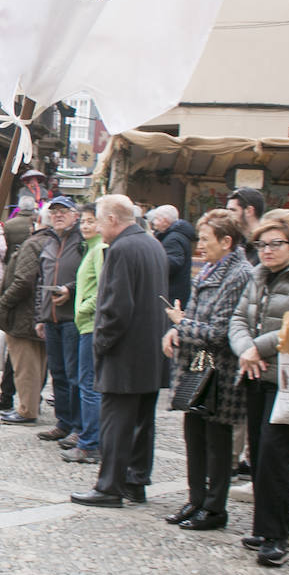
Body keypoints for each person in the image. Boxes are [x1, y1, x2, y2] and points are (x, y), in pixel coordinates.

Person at [228, 208, 289, 566]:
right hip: (256, 375)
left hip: (288, 380)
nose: (267, 250)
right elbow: (238, 318)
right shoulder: (257, 275)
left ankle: (277, 538)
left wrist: (262, 345)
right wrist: (245, 349)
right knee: (261, 456)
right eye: (262, 244)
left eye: (275, 244)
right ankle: (276, 526)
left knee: (273, 454)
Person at [71, 195, 170, 509]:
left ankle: (110, 486)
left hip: (124, 352)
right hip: (150, 351)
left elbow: (116, 306)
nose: (98, 228)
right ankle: (135, 481)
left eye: (99, 221)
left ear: (113, 219)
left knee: (115, 421)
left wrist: (101, 342)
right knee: (142, 421)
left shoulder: (122, 249)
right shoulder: (152, 244)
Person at [159, 209, 253, 530]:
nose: (199, 245)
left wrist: (181, 324)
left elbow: (219, 332)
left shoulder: (240, 274)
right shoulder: (209, 270)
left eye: (205, 238)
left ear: (227, 241)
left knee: (217, 443)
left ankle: (214, 508)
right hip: (197, 371)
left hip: (221, 375)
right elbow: (199, 321)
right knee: (194, 439)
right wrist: (176, 329)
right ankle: (195, 499)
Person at [0, 209, 50, 426]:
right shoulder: (53, 242)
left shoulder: (34, 244)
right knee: (37, 363)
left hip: (26, 312)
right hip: (40, 311)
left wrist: (4, 303)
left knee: (26, 365)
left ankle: (26, 409)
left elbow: (24, 280)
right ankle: (29, 405)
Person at [35, 196, 86, 445]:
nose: (58, 215)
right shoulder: (49, 241)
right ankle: (63, 423)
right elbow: (39, 281)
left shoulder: (82, 241)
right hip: (51, 318)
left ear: (75, 215)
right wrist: (40, 316)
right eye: (54, 211)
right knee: (58, 374)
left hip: (72, 318)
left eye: (63, 211)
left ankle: (78, 426)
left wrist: (70, 289)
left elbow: (92, 279)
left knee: (74, 375)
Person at [62, 204, 105, 464]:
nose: (86, 226)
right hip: (85, 324)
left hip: (89, 324)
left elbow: (102, 288)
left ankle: (90, 443)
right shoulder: (91, 249)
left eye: (92, 221)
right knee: (84, 382)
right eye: (84, 222)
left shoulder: (100, 250)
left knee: (88, 385)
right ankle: (86, 436)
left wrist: (84, 309)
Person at [149, 204, 197, 307]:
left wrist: (153, 259)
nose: (154, 223)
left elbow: (173, 263)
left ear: (165, 221)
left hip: (172, 294)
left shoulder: (173, 239)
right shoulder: (174, 236)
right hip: (176, 292)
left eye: (157, 219)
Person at [226, 187, 266, 265]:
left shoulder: (266, 246)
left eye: (232, 210)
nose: (227, 215)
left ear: (249, 211)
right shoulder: (238, 243)